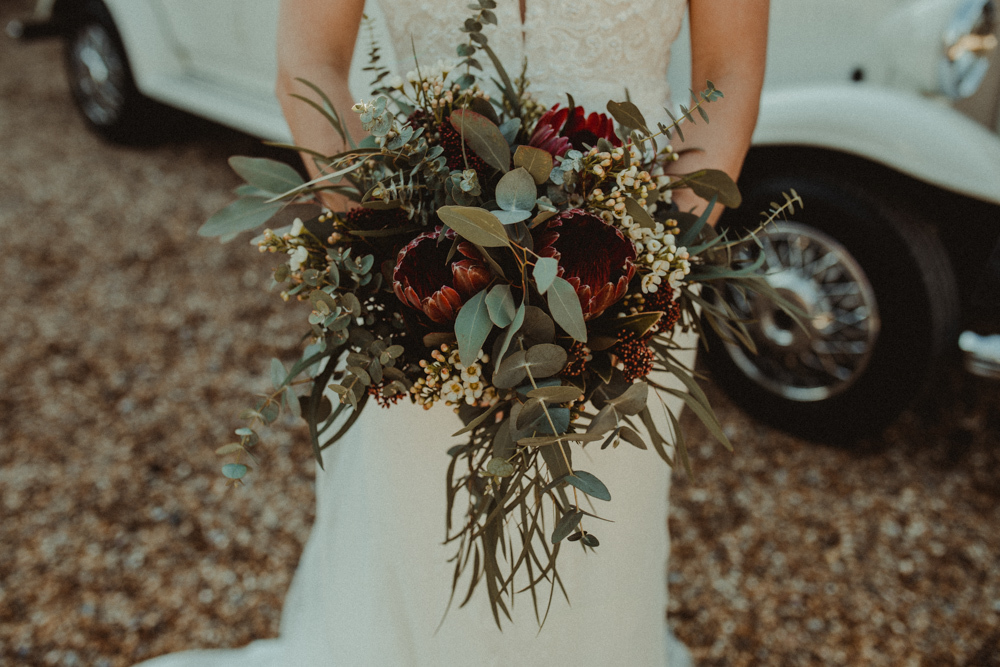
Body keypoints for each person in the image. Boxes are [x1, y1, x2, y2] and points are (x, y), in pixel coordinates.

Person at [137, 1, 768, 664]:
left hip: (621, 285)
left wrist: (641, 268)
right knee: (420, 532)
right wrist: (391, 256)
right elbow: (308, 61)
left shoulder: (633, 284)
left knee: (600, 552)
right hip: (426, 286)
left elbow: (729, 73)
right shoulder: (414, 280)